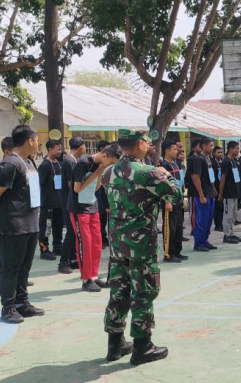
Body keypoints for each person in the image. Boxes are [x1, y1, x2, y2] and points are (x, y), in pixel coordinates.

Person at [102, 129, 182, 365]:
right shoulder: (149, 173)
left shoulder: (108, 172)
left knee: (119, 292)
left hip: (117, 244)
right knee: (143, 293)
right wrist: (168, 175)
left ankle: (114, 345)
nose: (149, 145)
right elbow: (176, 196)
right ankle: (142, 347)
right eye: (146, 142)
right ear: (139, 144)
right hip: (141, 244)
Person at [0, 125, 45, 324]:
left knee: (24, 267)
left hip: (30, 222)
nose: (38, 144)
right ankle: (8, 307)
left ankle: (22, 303)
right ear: (30, 140)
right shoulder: (10, 164)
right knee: (10, 267)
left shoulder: (28, 162)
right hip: (12, 224)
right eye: (37, 140)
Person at [70, 144, 110, 292]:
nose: (109, 165)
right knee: (85, 243)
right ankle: (86, 279)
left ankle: (93, 276)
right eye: (110, 162)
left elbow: (97, 187)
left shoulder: (100, 166)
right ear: (105, 155)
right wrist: (96, 172)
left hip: (92, 205)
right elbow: (77, 188)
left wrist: (100, 173)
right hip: (79, 208)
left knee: (97, 242)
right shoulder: (83, 163)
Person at [59, 137, 85, 274]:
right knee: (70, 232)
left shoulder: (74, 161)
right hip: (68, 202)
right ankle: (63, 262)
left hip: (73, 201)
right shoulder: (69, 161)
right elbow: (71, 184)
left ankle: (71, 258)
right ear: (81, 147)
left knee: (74, 232)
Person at [159, 140, 187, 263]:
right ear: (167, 151)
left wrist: (183, 196)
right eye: (174, 149)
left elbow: (180, 182)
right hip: (169, 201)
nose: (177, 151)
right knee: (170, 228)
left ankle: (177, 251)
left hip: (178, 199)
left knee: (179, 227)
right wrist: (167, 201)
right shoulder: (163, 165)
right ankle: (168, 254)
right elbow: (163, 184)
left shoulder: (176, 164)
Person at [38, 140, 65, 260]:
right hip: (48, 203)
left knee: (58, 226)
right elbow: (40, 184)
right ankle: (44, 249)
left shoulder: (59, 164)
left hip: (59, 202)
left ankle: (58, 246)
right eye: (57, 149)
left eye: (60, 149)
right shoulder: (45, 165)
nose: (60, 151)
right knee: (46, 228)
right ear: (49, 149)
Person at [191, 138, 217, 252]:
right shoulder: (199, 159)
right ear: (204, 146)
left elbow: (210, 176)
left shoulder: (208, 159)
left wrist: (214, 189)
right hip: (203, 195)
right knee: (202, 219)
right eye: (211, 146)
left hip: (210, 193)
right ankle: (199, 243)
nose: (212, 148)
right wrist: (201, 195)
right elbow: (195, 177)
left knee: (209, 219)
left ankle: (205, 240)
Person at [218, 141, 241, 244]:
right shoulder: (226, 162)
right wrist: (221, 193)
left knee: (233, 215)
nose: (238, 151)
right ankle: (227, 235)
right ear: (230, 149)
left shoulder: (234, 161)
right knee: (228, 215)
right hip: (228, 193)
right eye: (236, 148)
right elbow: (223, 178)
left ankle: (231, 233)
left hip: (234, 192)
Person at [96, 140, 111, 249]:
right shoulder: (97, 162)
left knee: (106, 217)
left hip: (108, 191)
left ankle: (105, 238)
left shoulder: (110, 162)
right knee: (100, 215)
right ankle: (100, 239)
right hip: (98, 191)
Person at [211, 145, 224, 231]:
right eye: (218, 152)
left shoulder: (223, 162)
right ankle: (217, 224)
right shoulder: (212, 163)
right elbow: (211, 177)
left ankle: (222, 222)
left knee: (222, 207)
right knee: (217, 207)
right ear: (214, 153)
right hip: (215, 187)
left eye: (221, 152)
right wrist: (214, 189)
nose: (220, 154)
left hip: (222, 187)